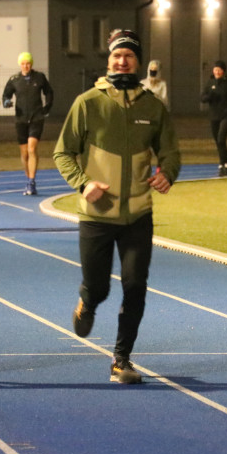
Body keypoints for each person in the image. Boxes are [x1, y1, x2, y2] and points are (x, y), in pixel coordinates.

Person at [53, 29, 181, 385]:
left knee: (135, 285)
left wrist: (167, 172)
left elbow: (170, 150)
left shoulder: (153, 107)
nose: (121, 60)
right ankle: (88, 302)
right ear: (108, 60)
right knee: (99, 286)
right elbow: (62, 152)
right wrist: (83, 183)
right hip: (96, 215)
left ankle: (122, 359)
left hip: (138, 214)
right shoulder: (89, 102)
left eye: (128, 55)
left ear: (138, 62)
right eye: (116, 55)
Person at [3, 52, 53, 196]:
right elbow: (6, 94)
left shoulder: (40, 77)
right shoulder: (15, 79)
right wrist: (7, 102)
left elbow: (49, 92)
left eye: (28, 63)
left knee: (32, 149)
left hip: (36, 117)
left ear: (32, 64)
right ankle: (28, 178)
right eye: (23, 63)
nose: (26, 66)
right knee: (24, 154)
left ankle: (32, 181)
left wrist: (47, 107)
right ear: (20, 65)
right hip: (21, 119)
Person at [200, 59, 227, 177]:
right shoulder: (210, 83)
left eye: (219, 70)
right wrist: (208, 97)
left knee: (221, 138)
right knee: (217, 141)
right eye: (215, 70)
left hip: (226, 114)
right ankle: (225, 164)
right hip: (214, 115)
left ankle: (224, 164)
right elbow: (202, 97)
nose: (217, 72)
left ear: (223, 71)